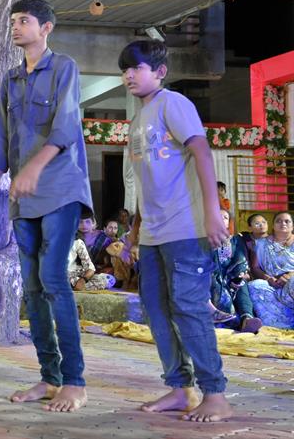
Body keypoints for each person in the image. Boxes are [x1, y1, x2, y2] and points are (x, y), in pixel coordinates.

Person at [0, 0, 92, 413]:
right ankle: (50, 378)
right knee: (32, 286)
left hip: (60, 188)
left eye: (24, 20)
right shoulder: (9, 80)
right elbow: (0, 139)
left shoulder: (64, 67)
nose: (15, 26)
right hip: (21, 197)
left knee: (52, 278)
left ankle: (75, 382)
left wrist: (32, 169)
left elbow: (66, 127)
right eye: (13, 20)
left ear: (46, 28)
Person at [120, 39, 232, 422]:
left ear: (160, 72)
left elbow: (202, 152)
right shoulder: (137, 120)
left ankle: (215, 394)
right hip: (153, 235)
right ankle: (180, 388)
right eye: (125, 70)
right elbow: (145, 181)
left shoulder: (174, 104)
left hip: (186, 230)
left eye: (137, 68)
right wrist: (134, 230)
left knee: (188, 309)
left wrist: (213, 212)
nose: (129, 75)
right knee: (155, 309)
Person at [209, 209, 262, 333]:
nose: (221, 219)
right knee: (214, 282)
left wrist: (239, 275)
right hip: (208, 276)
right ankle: (217, 317)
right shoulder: (202, 239)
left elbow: (240, 259)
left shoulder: (236, 240)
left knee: (241, 284)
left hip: (230, 276)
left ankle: (246, 319)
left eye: (225, 217)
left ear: (228, 223)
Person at [247, 212, 294, 329]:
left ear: (292, 226)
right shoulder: (261, 243)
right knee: (254, 285)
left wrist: (290, 276)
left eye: (287, 221)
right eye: (278, 221)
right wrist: (268, 279)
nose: (283, 223)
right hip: (274, 285)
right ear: (273, 225)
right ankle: (279, 324)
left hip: (291, 283)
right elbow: (255, 268)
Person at [78, 210, 114, 277]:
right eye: (80, 222)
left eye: (87, 222)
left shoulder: (103, 238)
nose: (84, 225)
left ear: (93, 222)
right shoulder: (73, 237)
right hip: (78, 272)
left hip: (99, 272)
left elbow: (111, 261)